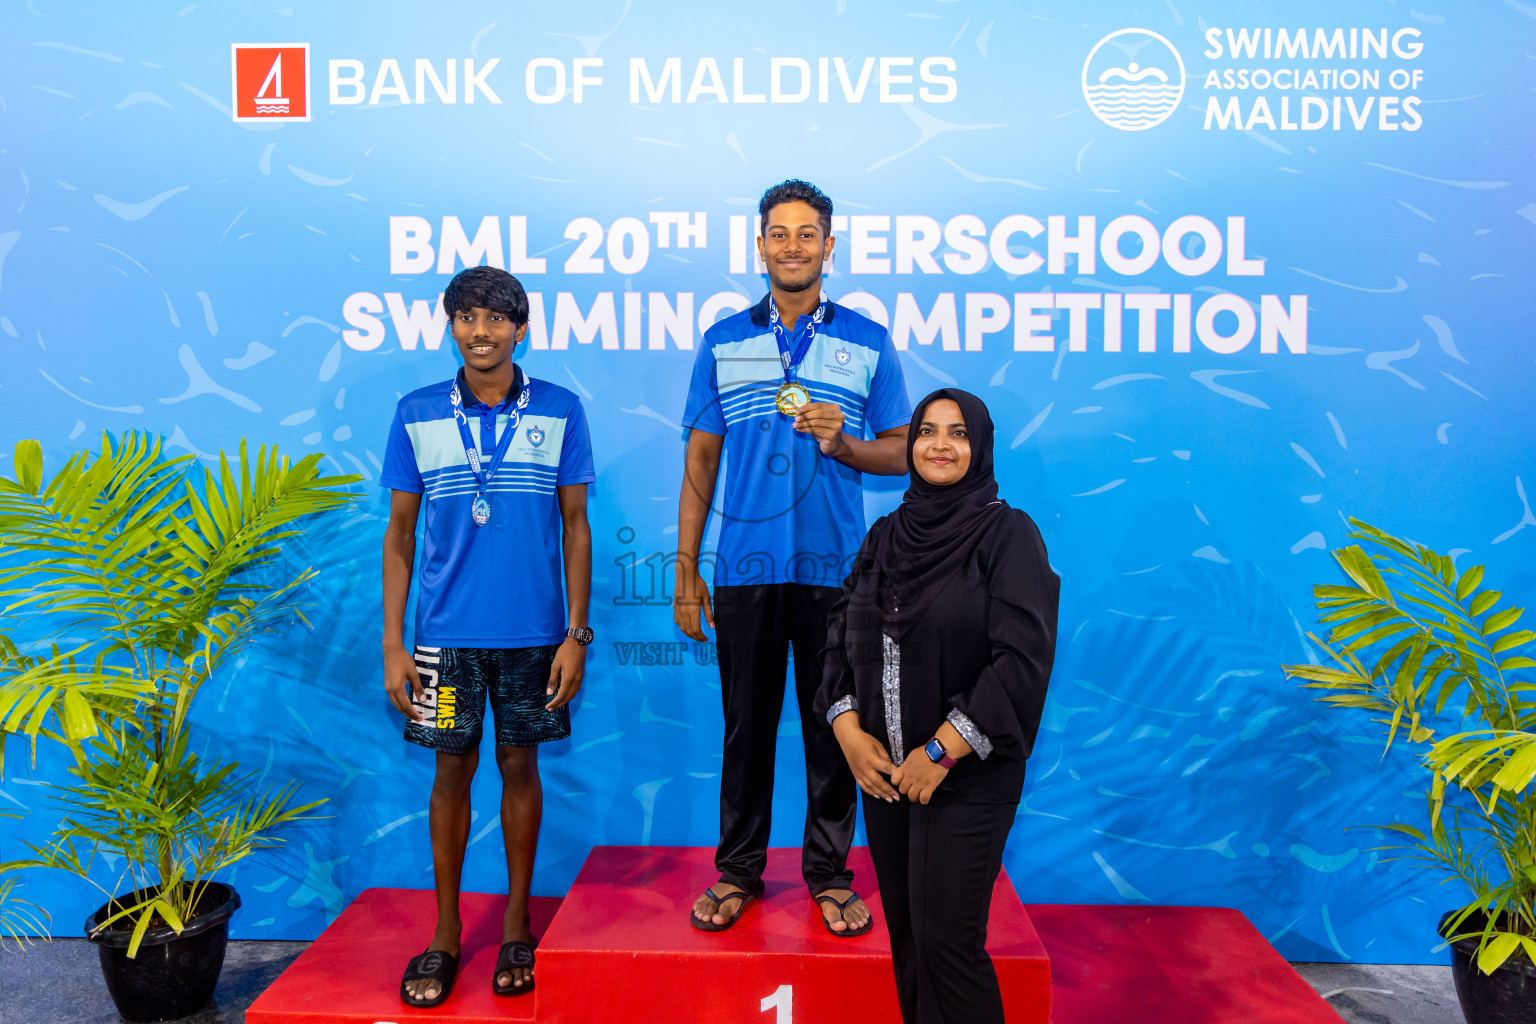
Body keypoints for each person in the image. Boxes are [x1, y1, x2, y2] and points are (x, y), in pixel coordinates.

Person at [675, 179, 912, 935]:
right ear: (760, 246)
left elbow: (903, 451)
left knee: (831, 723)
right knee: (745, 726)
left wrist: (844, 441)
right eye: (779, 234)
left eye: (807, 234)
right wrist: (686, 568)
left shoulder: (869, 340)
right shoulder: (722, 340)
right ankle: (738, 870)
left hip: (837, 573)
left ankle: (829, 873)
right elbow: (701, 462)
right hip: (742, 569)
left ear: (829, 247)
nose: (793, 247)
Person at [379, 266, 595, 1006]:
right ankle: (443, 933)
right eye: (467, 317)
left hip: (535, 637)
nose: (481, 330)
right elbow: (400, 535)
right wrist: (393, 644)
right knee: (449, 776)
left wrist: (575, 635)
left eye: (496, 318)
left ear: (521, 329)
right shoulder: (416, 411)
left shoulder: (562, 409)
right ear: (451, 326)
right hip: (443, 638)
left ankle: (515, 925)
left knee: (521, 768)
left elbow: (576, 526)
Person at [816, 389, 1058, 1024]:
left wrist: (940, 749)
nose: (940, 445)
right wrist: (847, 728)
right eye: (927, 431)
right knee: (912, 946)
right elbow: (842, 634)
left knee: (950, 947)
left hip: (966, 779)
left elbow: (1021, 662)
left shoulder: (1008, 536)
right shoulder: (886, 535)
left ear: (979, 447)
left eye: (958, 433)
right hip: (888, 783)